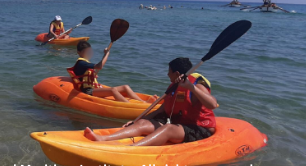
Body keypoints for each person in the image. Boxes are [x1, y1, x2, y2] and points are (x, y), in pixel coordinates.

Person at [84, 57, 218, 146]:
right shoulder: (173, 86)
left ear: (177, 73)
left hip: (200, 128)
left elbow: (212, 104)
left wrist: (191, 87)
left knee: (168, 128)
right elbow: (161, 109)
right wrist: (136, 121)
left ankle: (132, 148)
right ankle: (103, 138)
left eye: (169, 72)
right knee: (142, 122)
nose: (167, 74)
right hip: (181, 124)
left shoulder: (196, 85)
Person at [67, 41, 157, 103]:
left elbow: (94, 70)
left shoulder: (86, 63)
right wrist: (107, 54)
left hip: (95, 88)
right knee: (113, 90)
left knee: (125, 87)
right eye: (85, 52)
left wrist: (93, 75)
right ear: (79, 52)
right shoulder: (81, 63)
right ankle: (129, 105)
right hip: (88, 91)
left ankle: (144, 102)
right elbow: (100, 66)